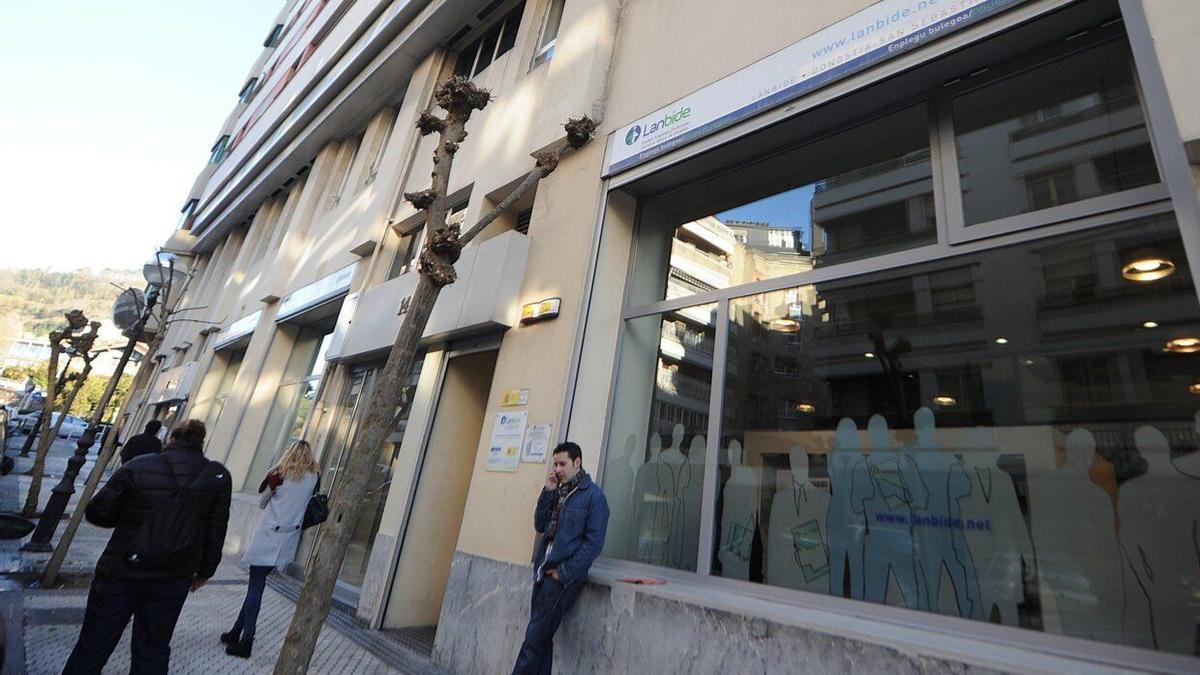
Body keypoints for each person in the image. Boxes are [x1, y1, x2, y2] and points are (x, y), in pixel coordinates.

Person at [63, 419, 231, 675]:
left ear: (171, 438)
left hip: (121, 569)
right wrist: (205, 572)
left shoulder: (138, 466)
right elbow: (216, 530)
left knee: (94, 643)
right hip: (173, 576)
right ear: (201, 442)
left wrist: (130, 516)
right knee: (153, 648)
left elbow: (99, 513)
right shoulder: (216, 476)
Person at [512, 442, 609, 675]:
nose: (558, 469)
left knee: (533, 640)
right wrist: (547, 491)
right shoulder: (557, 491)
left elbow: (593, 544)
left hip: (562, 580)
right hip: (542, 574)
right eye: (555, 464)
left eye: (562, 463)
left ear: (577, 463)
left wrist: (563, 573)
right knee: (542, 640)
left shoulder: (594, 497)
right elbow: (539, 525)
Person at [221, 440, 319, 658]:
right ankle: (236, 632)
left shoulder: (279, 474)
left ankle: (246, 641)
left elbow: (262, 502)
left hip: (269, 535)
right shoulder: (313, 478)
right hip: (289, 538)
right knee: (256, 585)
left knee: (255, 587)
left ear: (289, 453)